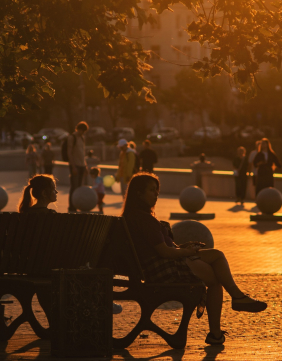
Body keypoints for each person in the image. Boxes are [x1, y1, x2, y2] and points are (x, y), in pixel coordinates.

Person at [122, 173, 267, 345]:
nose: (156, 194)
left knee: (216, 258)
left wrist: (184, 248)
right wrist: (188, 252)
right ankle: (231, 307)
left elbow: (162, 249)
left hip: (162, 263)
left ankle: (232, 308)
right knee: (215, 276)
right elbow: (165, 253)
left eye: (157, 191)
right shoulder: (143, 219)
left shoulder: (137, 216)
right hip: (163, 268)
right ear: (138, 193)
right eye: (151, 190)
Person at [66, 122, 88, 212]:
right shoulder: (72, 137)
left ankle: (77, 205)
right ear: (79, 129)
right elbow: (69, 153)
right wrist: (73, 166)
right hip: (75, 166)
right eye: (82, 131)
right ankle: (72, 207)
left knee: (79, 187)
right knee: (74, 187)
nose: (83, 133)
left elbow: (82, 153)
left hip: (82, 165)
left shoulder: (82, 138)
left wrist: (85, 165)